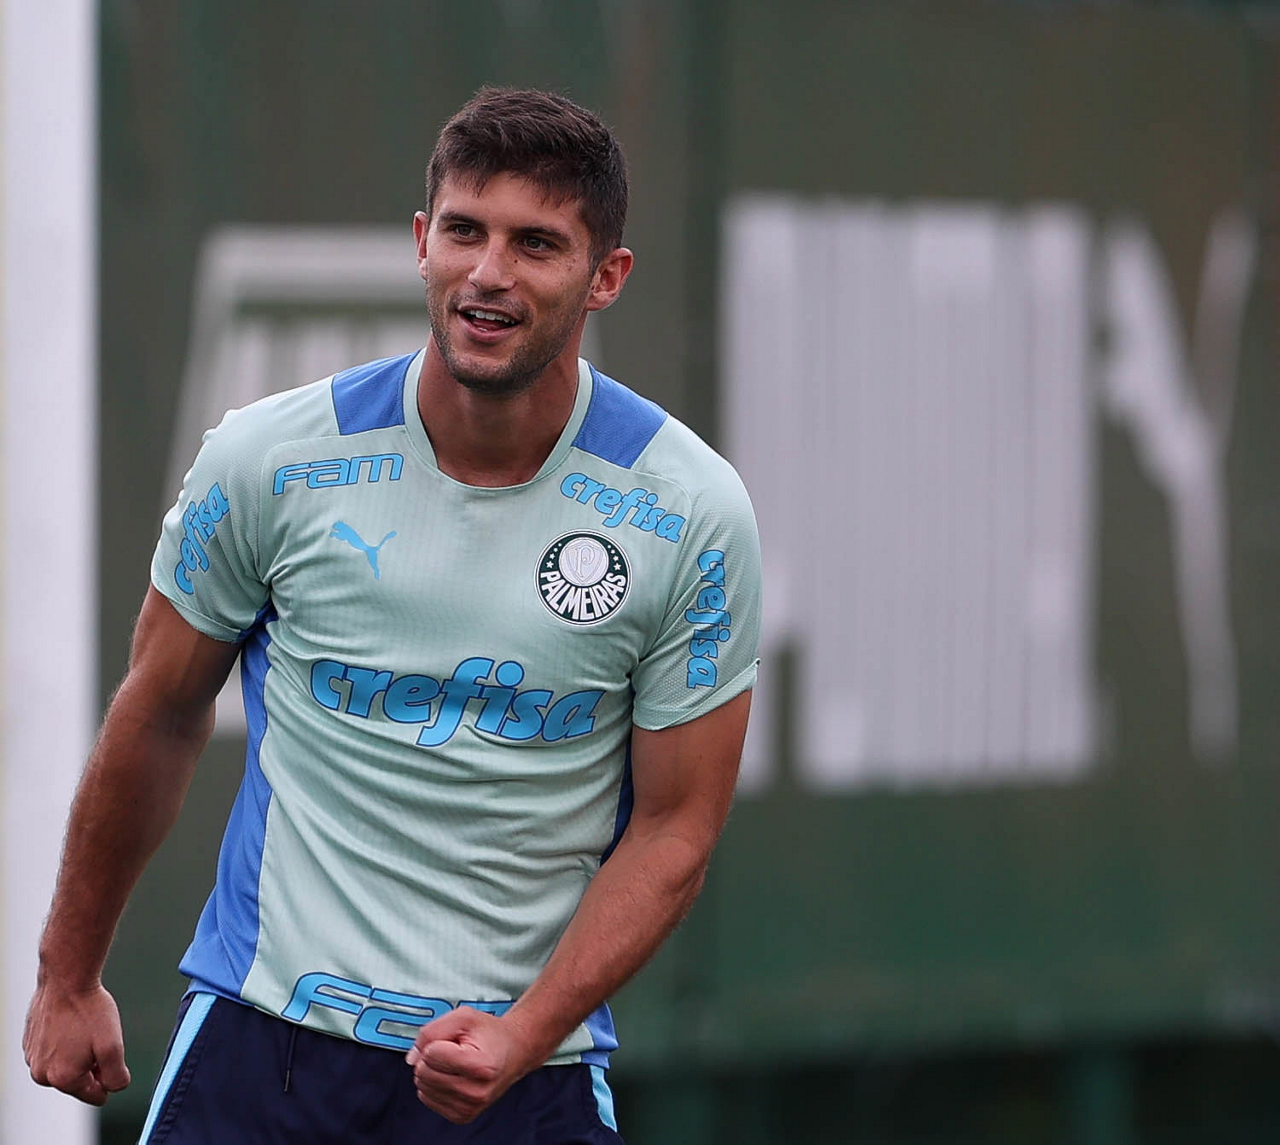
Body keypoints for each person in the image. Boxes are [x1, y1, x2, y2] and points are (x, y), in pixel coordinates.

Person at [23, 86, 761, 1143]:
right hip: (261, 1044)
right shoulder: (271, 459)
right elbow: (160, 709)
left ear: (606, 276)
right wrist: (67, 971)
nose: (489, 273)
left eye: (536, 244)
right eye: (464, 231)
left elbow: (675, 825)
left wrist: (522, 1033)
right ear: (421, 243)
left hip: (521, 1073)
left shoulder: (688, 511)